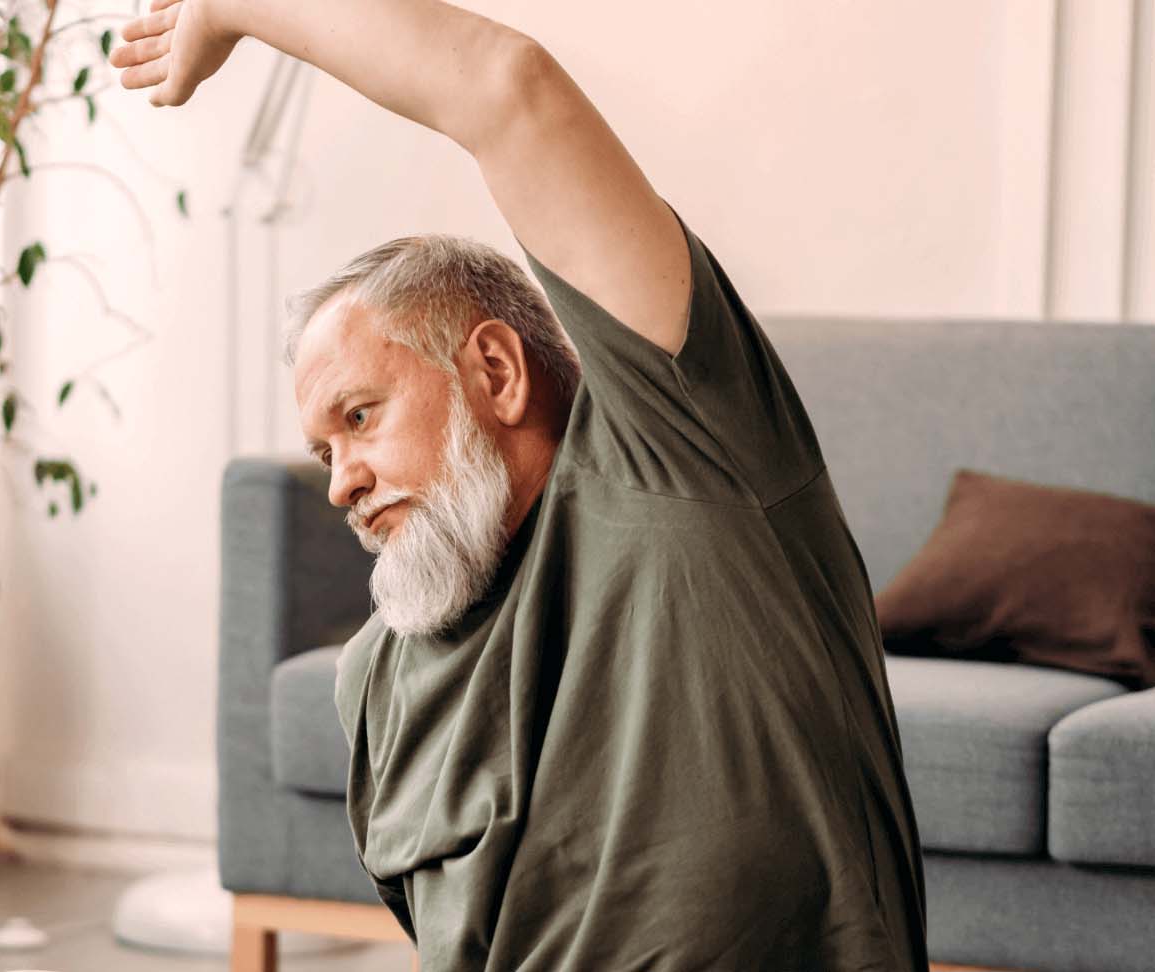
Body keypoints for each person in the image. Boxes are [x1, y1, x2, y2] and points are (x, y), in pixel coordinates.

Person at [110, 2, 930, 969]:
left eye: (360, 417)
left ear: (495, 372)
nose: (339, 485)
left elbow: (509, 93)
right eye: (324, 453)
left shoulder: (686, 454)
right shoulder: (376, 677)